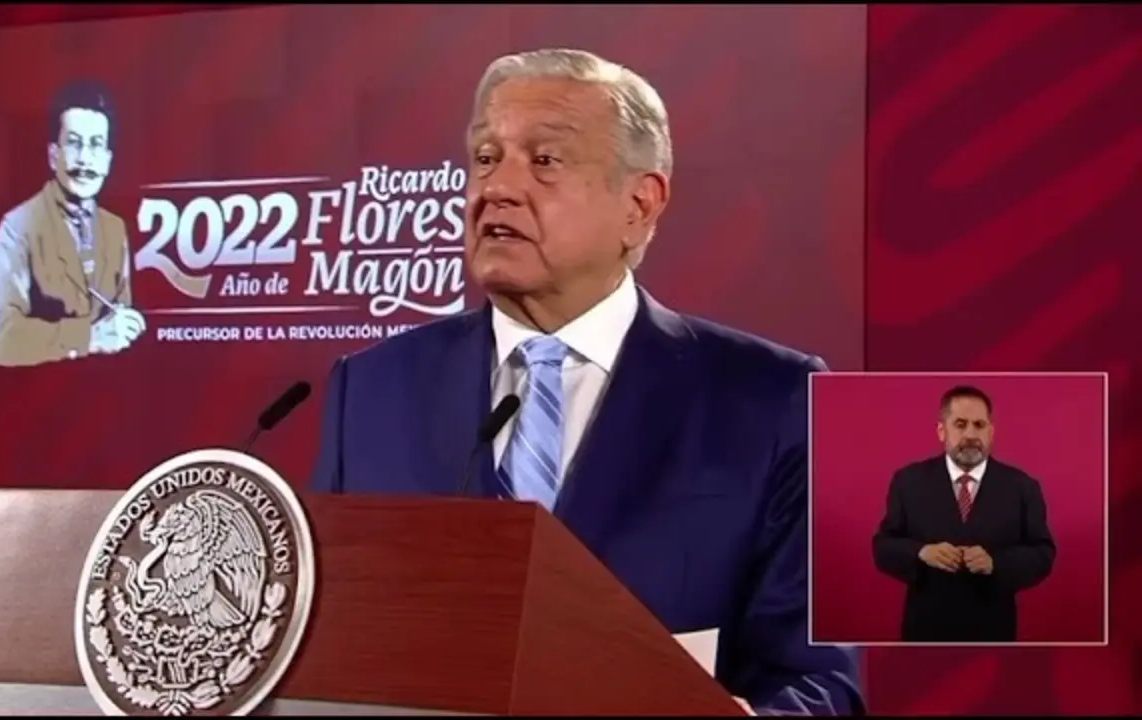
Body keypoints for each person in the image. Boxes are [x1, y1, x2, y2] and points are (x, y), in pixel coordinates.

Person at [309, 48, 863, 715]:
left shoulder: (778, 399)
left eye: (544, 160)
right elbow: (327, 649)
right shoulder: (370, 390)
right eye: (485, 157)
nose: (497, 188)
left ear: (639, 204)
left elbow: (821, 684)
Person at [0, 80, 146, 367]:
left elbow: (118, 326)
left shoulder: (115, 229)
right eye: (74, 144)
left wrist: (128, 328)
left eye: (96, 145)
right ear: (53, 156)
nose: (85, 160)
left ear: (107, 161)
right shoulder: (19, 227)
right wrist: (89, 337)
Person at [872, 385, 1056, 643]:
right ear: (941, 431)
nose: (970, 434)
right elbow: (883, 547)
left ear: (991, 432)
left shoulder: (1023, 487)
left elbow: (1043, 553)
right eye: (960, 424)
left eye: (979, 425)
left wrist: (995, 563)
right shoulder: (908, 481)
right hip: (925, 632)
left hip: (994, 635)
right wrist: (921, 552)